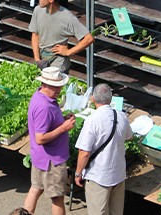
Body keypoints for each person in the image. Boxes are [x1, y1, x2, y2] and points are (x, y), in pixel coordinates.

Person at [72, 83, 132, 215]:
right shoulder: (121, 116)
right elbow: (130, 137)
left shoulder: (92, 121)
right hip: (118, 174)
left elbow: (84, 152)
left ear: (93, 99)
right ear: (111, 99)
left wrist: (78, 173)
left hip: (98, 177)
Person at [23, 67, 74, 215]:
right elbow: (40, 138)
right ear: (44, 85)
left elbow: (46, 125)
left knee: (36, 189)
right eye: (55, 86)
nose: (58, 90)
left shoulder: (40, 96)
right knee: (57, 198)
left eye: (60, 86)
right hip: (52, 161)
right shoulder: (44, 106)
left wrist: (62, 121)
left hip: (40, 157)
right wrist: (63, 128)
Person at [28, 0, 94, 74]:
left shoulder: (68, 17)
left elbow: (89, 38)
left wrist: (69, 52)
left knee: (54, 83)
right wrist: (37, 58)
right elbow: (35, 35)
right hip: (42, 59)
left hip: (58, 62)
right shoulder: (38, 10)